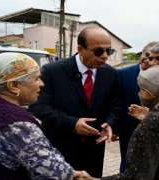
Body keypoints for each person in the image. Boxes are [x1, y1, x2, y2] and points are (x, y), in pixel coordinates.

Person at [0, 52, 95, 180]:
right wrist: (78, 175)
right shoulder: (14, 122)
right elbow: (56, 173)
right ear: (13, 86)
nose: (41, 84)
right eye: (36, 78)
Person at [29, 27, 122, 178]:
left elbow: (115, 105)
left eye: (109, 51)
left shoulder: (111, 74)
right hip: (59, 148)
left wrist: (110, 123)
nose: (105, 56)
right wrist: (72, 124)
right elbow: (38, 107)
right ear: (80, 49)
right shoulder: (53, 71)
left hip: (94, 150)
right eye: (98, 51)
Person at [116, 41, 159, 173]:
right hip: (128, 130)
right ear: (141, 53)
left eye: (153, 57)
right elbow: (116, 101)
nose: (148, 59)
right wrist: (115, 126)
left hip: (154, 131)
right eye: (146, 54)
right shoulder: (122, 74)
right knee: (127, 167)